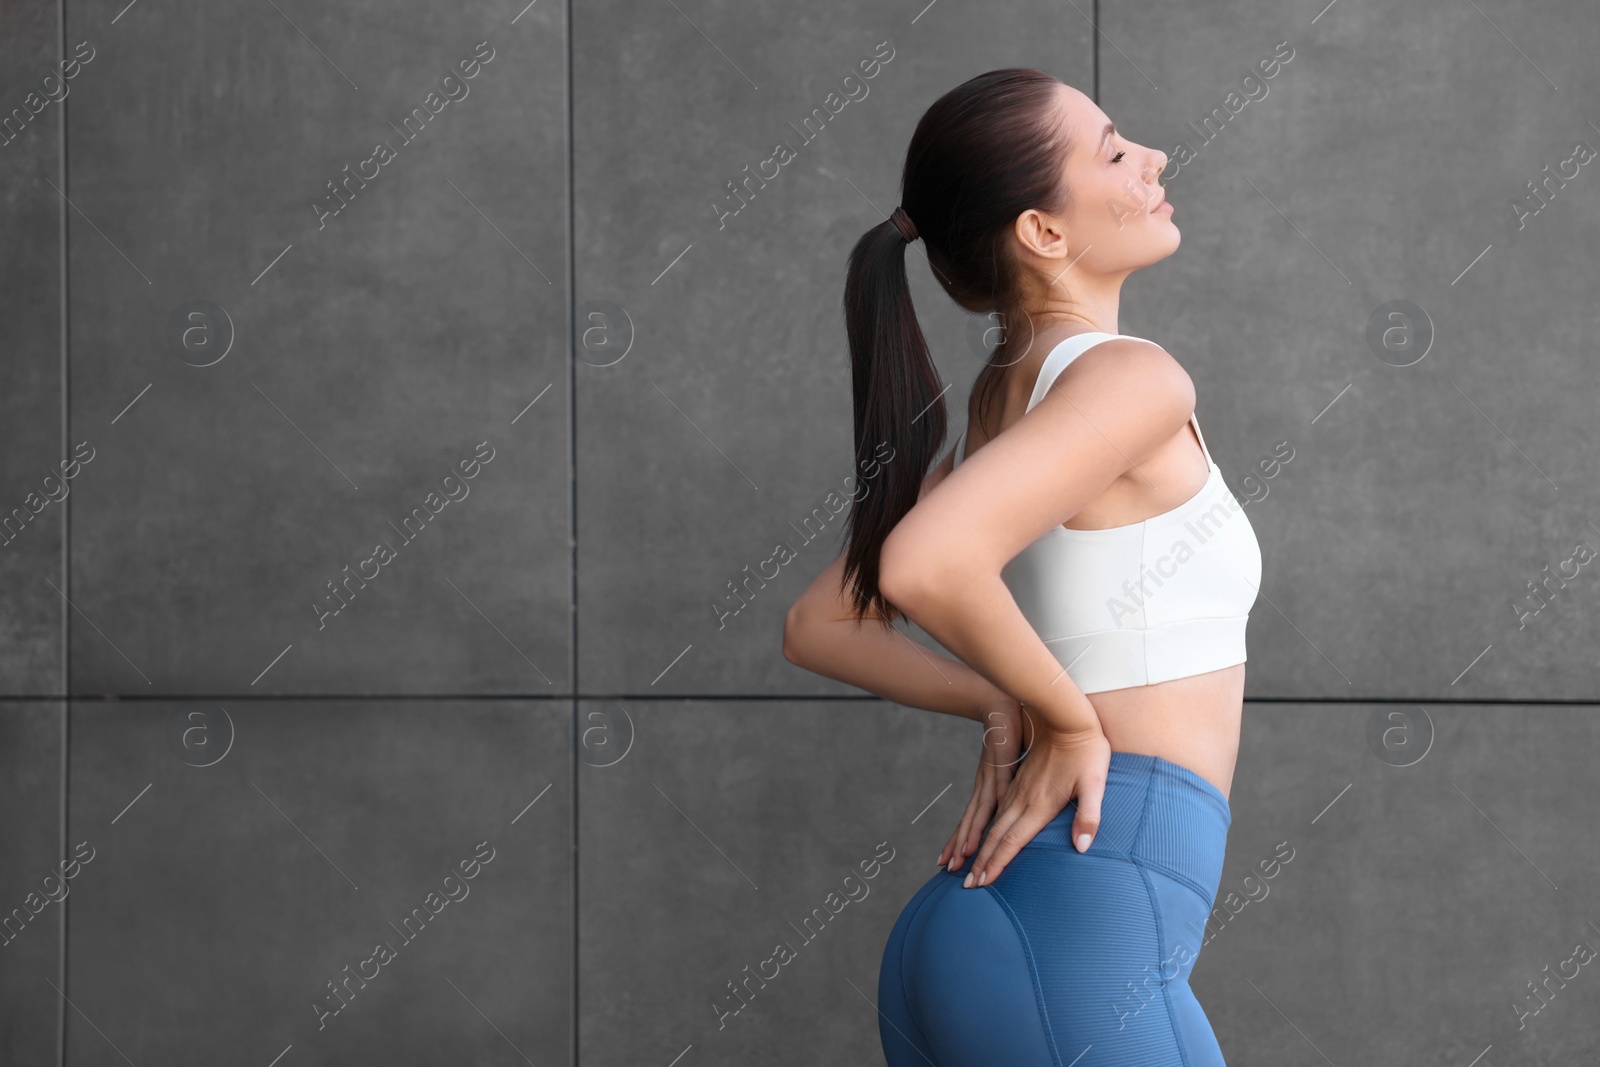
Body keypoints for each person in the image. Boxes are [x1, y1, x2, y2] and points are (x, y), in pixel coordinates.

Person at [781, 68, 1263, 1066]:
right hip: (1081, 926)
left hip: (976, 929)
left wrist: (1004, 703)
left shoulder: (1006, 410)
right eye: (1114, 148)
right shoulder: (1131, 380)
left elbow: (820, 624)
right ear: (1043, 232)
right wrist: (1061, 713)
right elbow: (919, 564)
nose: (1153, 159)